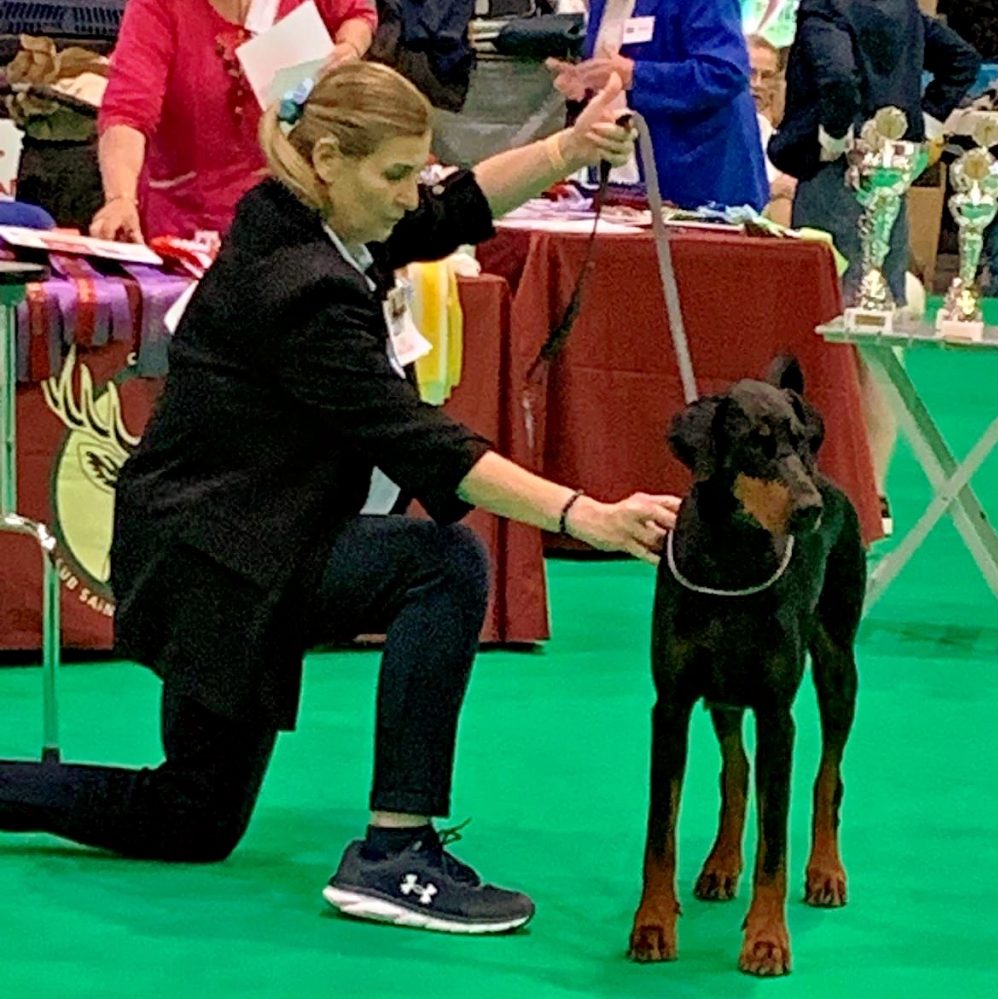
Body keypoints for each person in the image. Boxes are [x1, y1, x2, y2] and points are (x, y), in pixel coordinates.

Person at [0, 62, 678, 936]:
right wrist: (587, 514)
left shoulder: (297, 210)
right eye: (395, 175)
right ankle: (395, 852)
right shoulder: (301, 286)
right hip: (219, 562)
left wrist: (569, 146)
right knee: (440, 563)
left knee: (192, 818)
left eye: (417, 171)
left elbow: (448, 214)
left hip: (227, 538)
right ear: (326, 156)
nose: (411, 196)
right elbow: (420, 438)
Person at [768, 0, 979, 533]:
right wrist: (918, 129)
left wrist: (834, 139)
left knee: (833, 332)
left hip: (837, 183)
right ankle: (873, 489)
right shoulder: (900, 9)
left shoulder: (825, 10)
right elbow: (963, 60)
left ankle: (832, 486)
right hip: (892, 184)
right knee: (879, 336)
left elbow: (837, 82)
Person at [90, 0, 378, 244]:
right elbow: (128, 110)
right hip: (186, 229)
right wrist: (120, 198)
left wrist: (349, 47)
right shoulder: (159, 6)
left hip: (296, 215)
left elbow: (357, 11)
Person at [546, 0, 769, 211]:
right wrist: (585, 83)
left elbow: (725, 72)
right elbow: (615, 72)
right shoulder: (603, 4)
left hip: (699, 182)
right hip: (621, 181)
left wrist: (636, 75)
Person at [746, 34, 797, 225]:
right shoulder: (719, 128)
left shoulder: (772, 133)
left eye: (766, 76)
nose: (757, 84)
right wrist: (772, 190)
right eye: (750, 73)